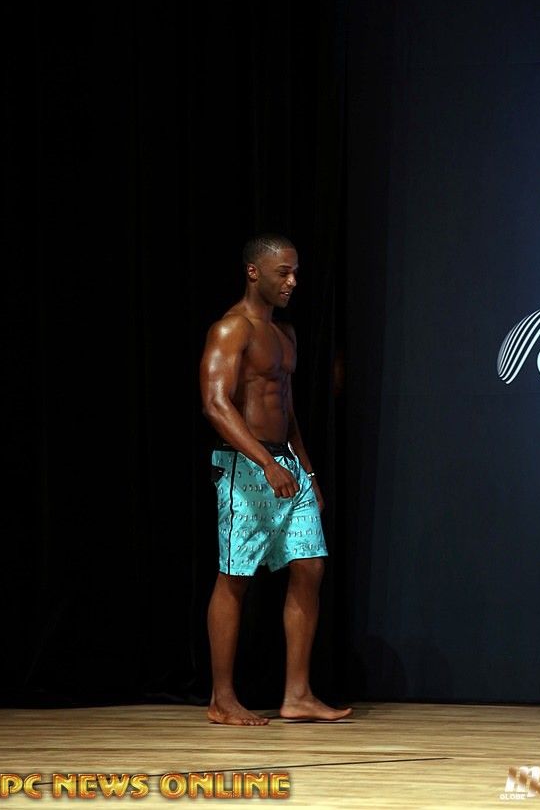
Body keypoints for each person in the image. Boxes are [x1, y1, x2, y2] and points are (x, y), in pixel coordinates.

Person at [199, 233, 352, 726]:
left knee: (310, 567)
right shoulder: (231, 329)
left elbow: (286, 410)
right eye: (283, 272)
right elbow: (216, 404)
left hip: (287, 464)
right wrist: (266, 463)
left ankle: (297, 695)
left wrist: (307, 471)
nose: (292, 282)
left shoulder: (285, 334)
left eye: (295, 273)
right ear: (253, 272)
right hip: (245, 467)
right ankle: (222, 699)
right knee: (235, 578)